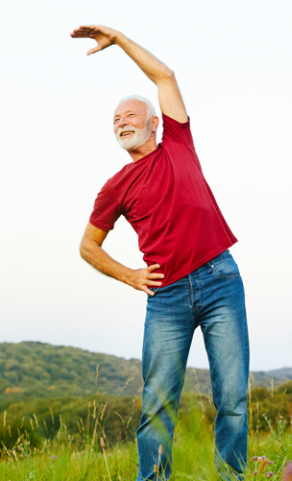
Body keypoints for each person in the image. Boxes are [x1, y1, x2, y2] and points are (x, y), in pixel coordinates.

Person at [71, 25, 249, 480]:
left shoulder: (177, 144)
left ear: (154, 122)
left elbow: (165, 76)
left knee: (231, 396)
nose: (122, 122)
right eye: (115, 121)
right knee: (158, 403)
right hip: (166, 295)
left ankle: (232, 477)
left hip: (219, 279)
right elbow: (88, 246)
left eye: (130, 115)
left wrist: (119, 39)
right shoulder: (115, 187)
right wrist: (129, 275)